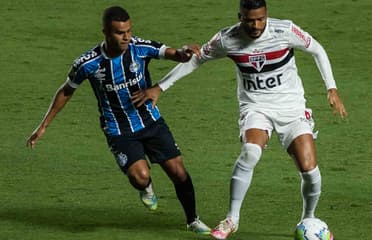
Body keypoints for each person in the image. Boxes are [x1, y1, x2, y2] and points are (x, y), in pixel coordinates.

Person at [131, 0, 348, 239]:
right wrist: (160, 87)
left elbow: (316, 48)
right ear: (240, 17)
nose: (255, 25)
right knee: (250, 152)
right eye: (249, 20)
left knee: (309, 169)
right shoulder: (227, 38)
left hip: (291, 108)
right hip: (255, 107)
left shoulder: (284, 30)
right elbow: (196, 59)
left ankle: (309, 218)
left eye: (260, 19)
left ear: (266, 15)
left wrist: (332, 89)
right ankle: (232, 219)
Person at [26, 6, 211, 235]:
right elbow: (66, 91)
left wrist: (184, 52)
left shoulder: (139, 48)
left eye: (129, 31)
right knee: (140, 177)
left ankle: (192, 219)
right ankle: (146, 188)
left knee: (179, 172)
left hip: (150, 121)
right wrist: (43, 125)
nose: (126, 37)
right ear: (105, 32)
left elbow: (172, 53)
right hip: (118, 130)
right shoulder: (88, 63)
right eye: (120, 33)